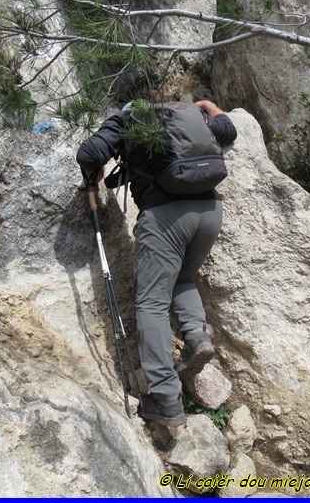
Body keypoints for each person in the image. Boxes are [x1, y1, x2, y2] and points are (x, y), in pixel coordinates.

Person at [76, 99, 237, 426]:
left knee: (151, 303)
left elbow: (89, 155)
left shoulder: (127, 119)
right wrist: (209, 106)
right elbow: (228, 133)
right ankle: (196, 337)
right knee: (183, 279)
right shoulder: (188, 115)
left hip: (166, 218)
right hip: (210, 212)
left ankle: (165, 400)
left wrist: (100, 160)